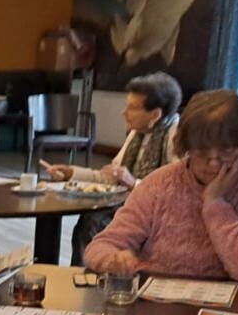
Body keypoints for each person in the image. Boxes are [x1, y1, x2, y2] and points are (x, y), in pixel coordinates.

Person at [85, 89, 238, 281]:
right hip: (155, 301)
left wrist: (215, 203)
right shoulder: (160, 184)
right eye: (201, 153)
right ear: (186, 147)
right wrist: (113, 260)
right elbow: (101, 246)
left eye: (225, 152)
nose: (213, 164)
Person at [45, 72, 183, 263]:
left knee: (93, 223)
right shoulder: (138, 133)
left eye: (132, 107)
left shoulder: (175, 136)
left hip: (155, 216)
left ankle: (91, 277)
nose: (124, 112)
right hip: (130, 205)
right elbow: (112, 175)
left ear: (155, 114)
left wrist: (133, 183)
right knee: (89, 220)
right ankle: (86, 276)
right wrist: (71, 173)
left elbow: (178, 190)